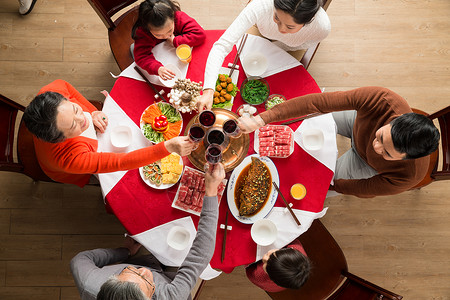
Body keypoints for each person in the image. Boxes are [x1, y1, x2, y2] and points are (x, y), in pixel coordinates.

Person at [237, 86, 440, 198]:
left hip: (365, 163)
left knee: (319, 185)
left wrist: (330, 186)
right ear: (395, 121)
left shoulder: (409, 175)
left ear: (405, 158)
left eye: (387, 153)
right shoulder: (383, 99)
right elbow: (317, 102)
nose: (375, 146)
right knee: (309, 116)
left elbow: (366, 188)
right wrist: (260, 119)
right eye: (381, 137)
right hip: (357, 122)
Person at [70, 163, 225, 300]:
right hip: (171, 279)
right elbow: (199, 256)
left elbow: (80, 259)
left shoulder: (89, 281)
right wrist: (211, 192)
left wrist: (125, 252)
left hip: (136, 258)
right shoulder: (172, 297)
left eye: (128, 271)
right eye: (147, 282)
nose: (143, 271)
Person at [23, 79, 194, 187]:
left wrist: (93, 111)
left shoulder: (51, 92)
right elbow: (122, 162)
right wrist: (168, 146)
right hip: (64, 170)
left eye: (75, 109)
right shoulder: (70, 159)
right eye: (73, 125)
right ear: (60, 139)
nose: (83, 119)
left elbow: (66, 85)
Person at [197, 0, 331, 111]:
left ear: (307, 22)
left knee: (280, 85)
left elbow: (303, 45)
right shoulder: (261, 5)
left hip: (290, 47)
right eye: (276, 18)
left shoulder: (321, 27)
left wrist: (276, 48)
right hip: (260, 31)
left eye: (290, 27)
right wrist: (208, 89)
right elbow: (222, 45)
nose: (281, 29)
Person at [132, 0, 206, 81]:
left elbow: (200, 34)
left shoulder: (178, 17)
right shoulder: (143, 32)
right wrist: (157, 68)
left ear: (173, 18)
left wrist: (175, 41)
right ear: (147, 28)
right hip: (160, 57)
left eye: (170, 31)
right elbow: (141, 56)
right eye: (158, 35)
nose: (166, 36)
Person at [246, 239, 310, 292]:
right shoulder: (296, 249)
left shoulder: (258, 277)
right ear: (290, 249)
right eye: (272, 254)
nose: (264, 258)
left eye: (266, 264)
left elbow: (248, 268)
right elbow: (292, 239)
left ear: (270, 276)